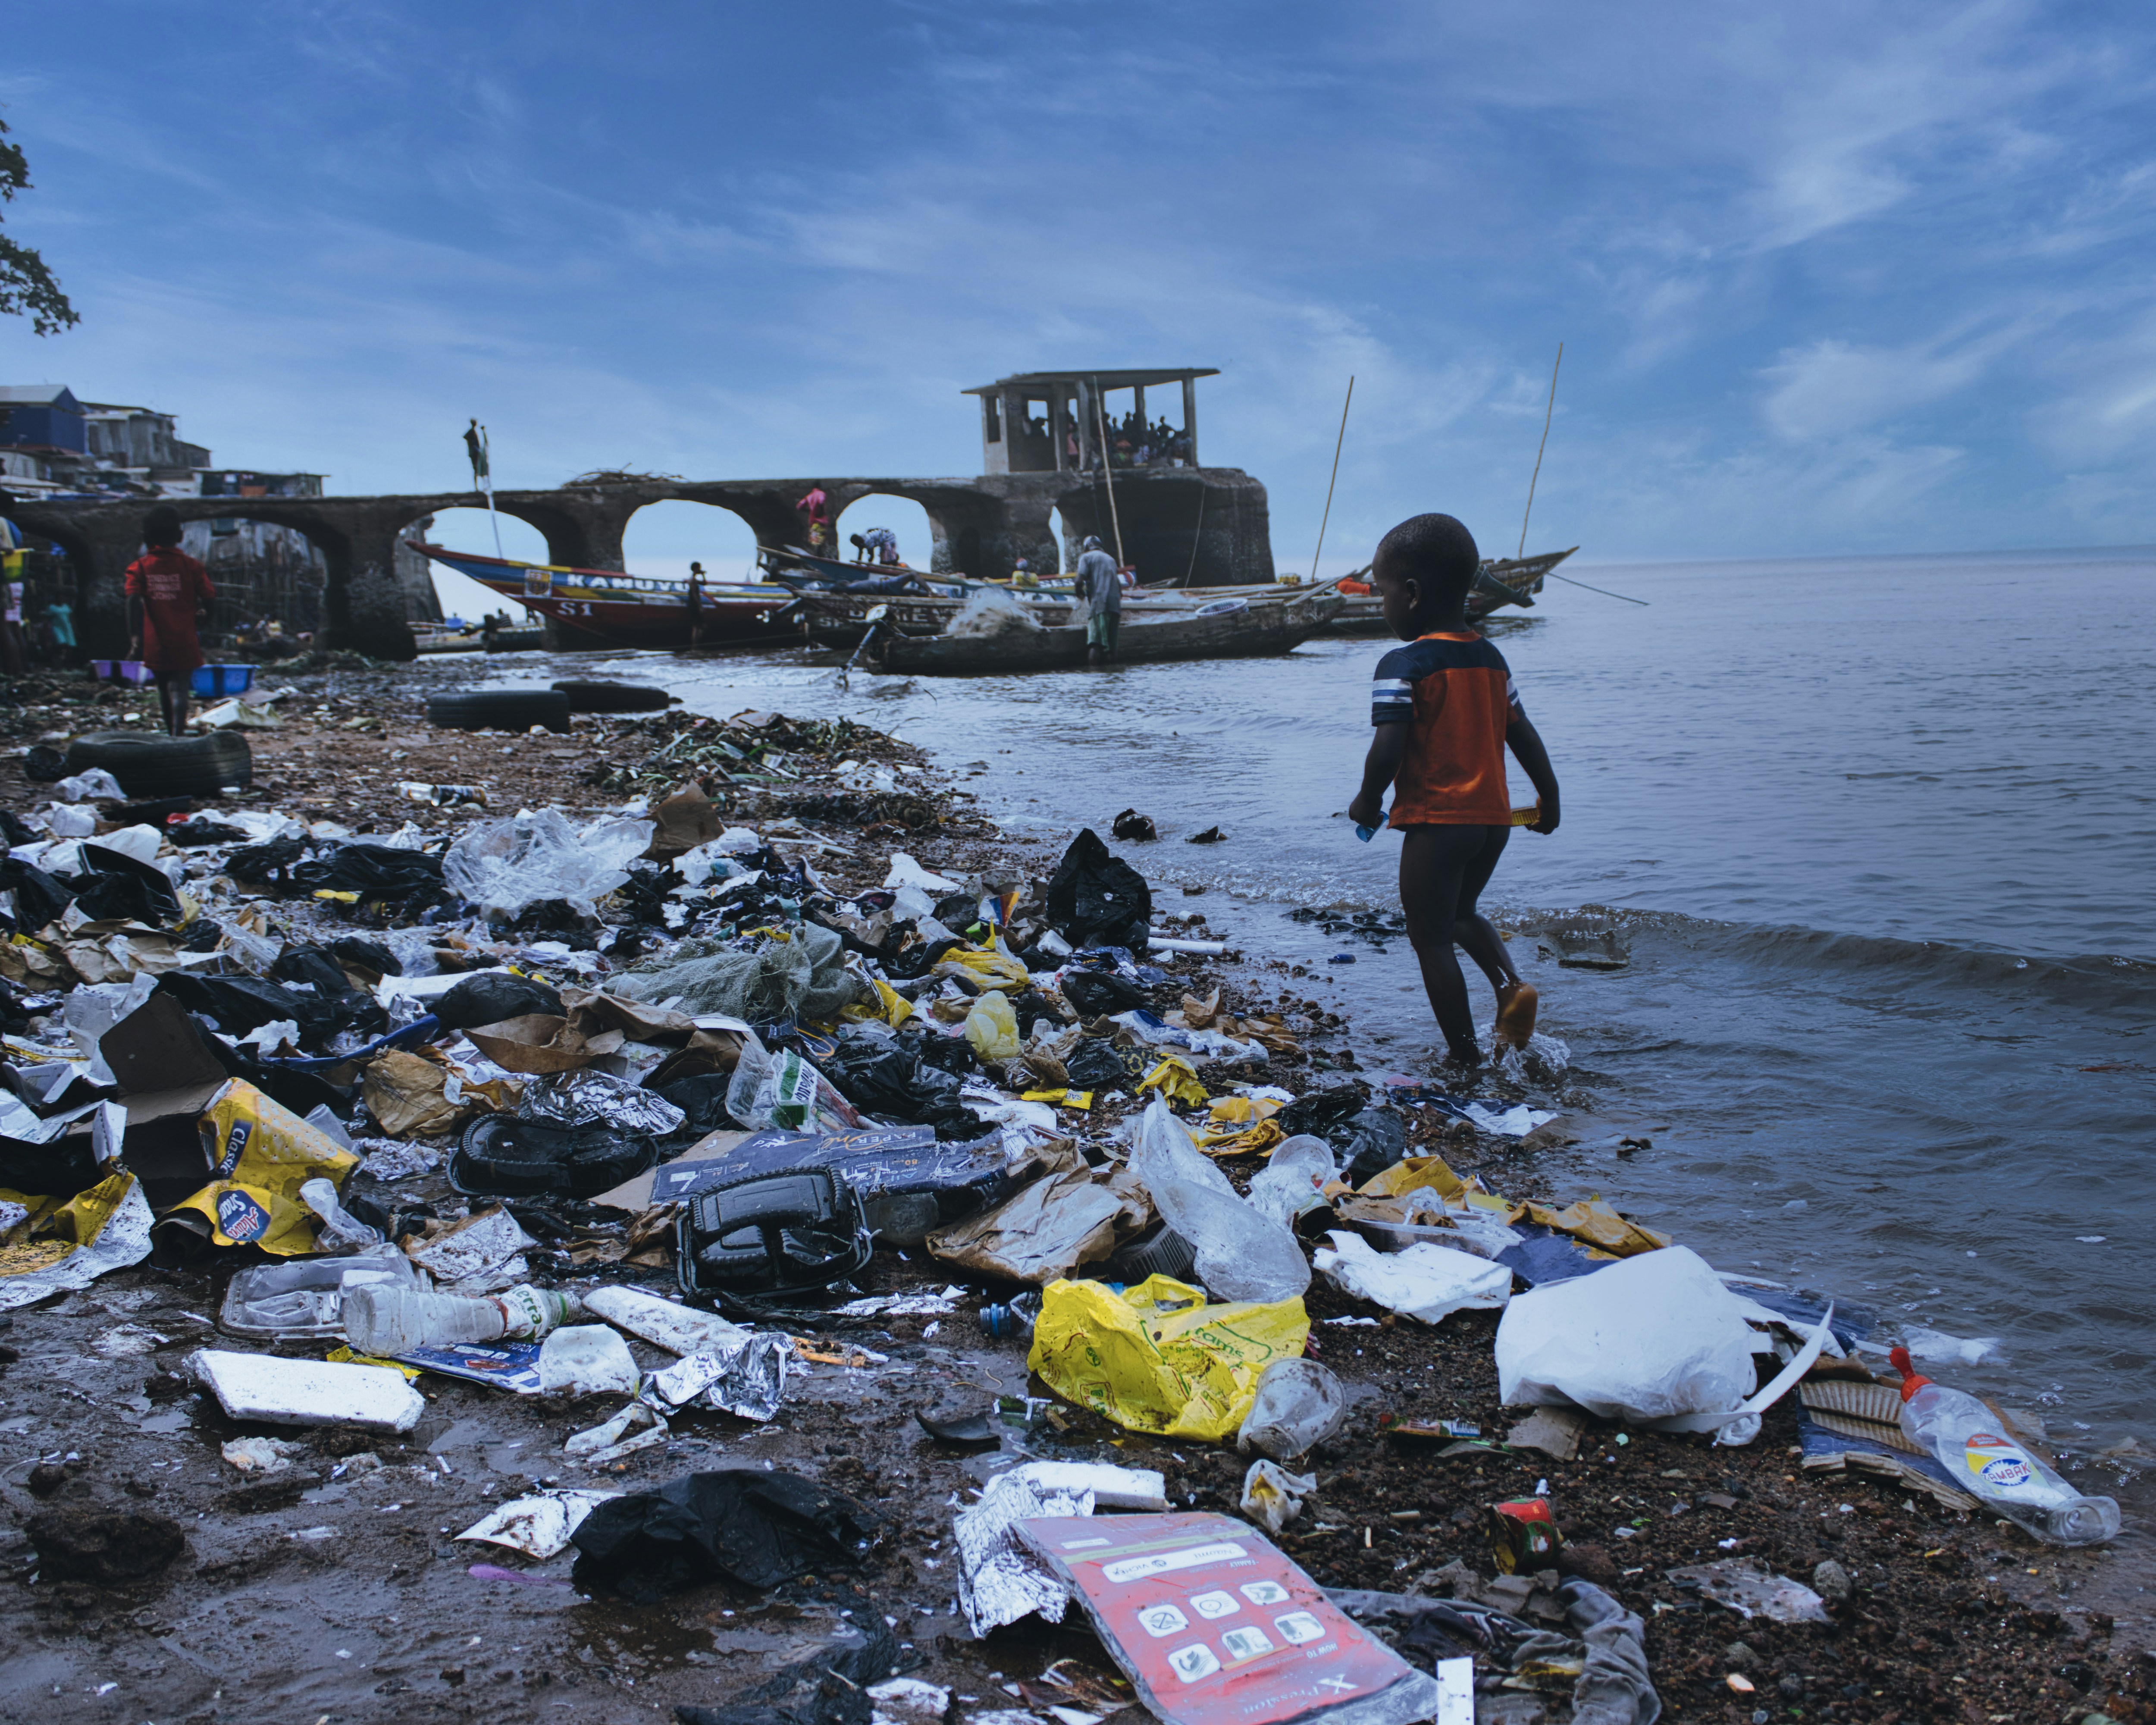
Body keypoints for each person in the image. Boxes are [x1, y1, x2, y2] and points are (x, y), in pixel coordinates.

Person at [1345, 512, 1560, 1068]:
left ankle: (1464, 1057)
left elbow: (1388, 747)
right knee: (1462, 911)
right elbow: (1522, 734)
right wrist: (1549, 797)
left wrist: (1367, 800)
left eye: (1383, 592)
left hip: (1437, 822)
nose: (1382, 604)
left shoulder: (1404, 663)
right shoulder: (1490, 658)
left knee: (1430, 937)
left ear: (1411, 593)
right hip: (1493, 821)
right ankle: (1510, 984)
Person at [124, 505, 216, 736]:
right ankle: (178, 733)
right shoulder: (191, 566)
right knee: (180, 688)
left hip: (156, 639)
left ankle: (169, 733)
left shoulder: (140, 567)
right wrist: (206, 618)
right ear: (180, 536)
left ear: (147, 538)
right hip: (185, 638)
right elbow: (209, 597)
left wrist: (135, 637)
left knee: (163, 688)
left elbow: (132, 600)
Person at [1074, 533, 1122, 666]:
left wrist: (1079, 593)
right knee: (1110, 649)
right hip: (1115, 607)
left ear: (1088, 547)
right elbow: (1119, 587)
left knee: (1095, 643)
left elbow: (1079, 581)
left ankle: (1095, 675)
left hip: (1100, 604)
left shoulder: (1086, 557)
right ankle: (1112, 674)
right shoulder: (1111, 559)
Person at [796, 485, 830, 553]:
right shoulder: (821, 493)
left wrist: (809, 511)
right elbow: (821, 502)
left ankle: (816, 555)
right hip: (821, 521)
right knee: (820, 542)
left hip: (813, 522)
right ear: (820, 487)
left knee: (815, 541)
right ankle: (819, 556)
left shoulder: (809, 496)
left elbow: (799, 506)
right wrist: (821, 511)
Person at [686, 560, 705, 648]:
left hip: (694, 604)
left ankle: (695, 646)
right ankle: (695, 646)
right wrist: (700, 606)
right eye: (699, 568)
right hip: (694, 605)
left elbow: (705, 583)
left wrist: (703, 575)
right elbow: (694, 594)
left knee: (698, 626)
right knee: (698, 627)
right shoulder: (692, 580)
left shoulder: (694, 579)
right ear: (696, 569)